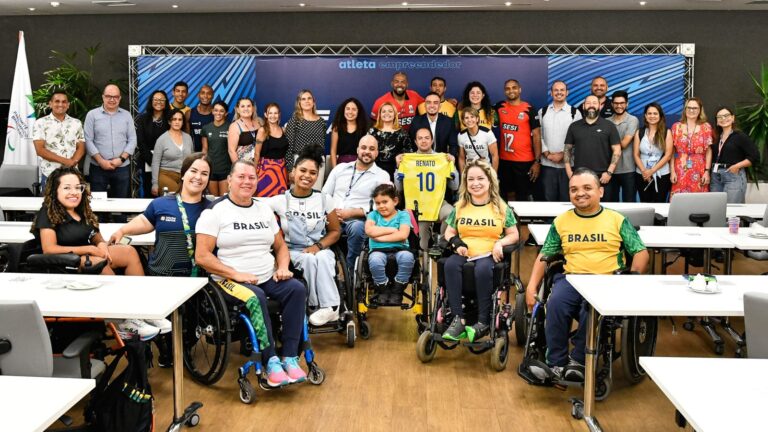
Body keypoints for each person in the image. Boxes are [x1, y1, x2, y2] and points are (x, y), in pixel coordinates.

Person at [525, 168, 649, 382]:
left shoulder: (617, 220)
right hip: (572, 278)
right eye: (573, 189)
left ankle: (579, 361)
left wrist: (633, 278)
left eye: (586, 188)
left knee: (589, 310)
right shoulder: (562, 221)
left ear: (601, 191)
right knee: (555, 303)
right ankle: (556, 363)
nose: (579, 193)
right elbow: (544, 255)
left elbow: (640, 252)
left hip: (607, 280)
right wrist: (531, 287)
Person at [195, 159, 309, 387]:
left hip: (266, 275)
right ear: (229, 180)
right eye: (241, 177)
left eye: (251, 177)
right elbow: (202, 256)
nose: (247, 181)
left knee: (297, 289)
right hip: (228, 280)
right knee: (254, 297)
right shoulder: (215, 211)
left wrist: (284, 267)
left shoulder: (263, 209)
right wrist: (234, 273)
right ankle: (271, 361)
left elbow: (280, 246)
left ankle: (289, 356)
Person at [31, 167, 163, 340]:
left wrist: (101, 246)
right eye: (67, 188)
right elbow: (50, 249)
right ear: (55, 190)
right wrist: (89, 249)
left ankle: (143, 311)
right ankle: (125, 320)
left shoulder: (81, 210)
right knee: (101, 263)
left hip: (87, 256)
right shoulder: (48, 212)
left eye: (78, 187)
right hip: (64, 262)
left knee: (129, 252)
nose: (74, 192)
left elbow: (96, 237)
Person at [109, 152, 212, 367]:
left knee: (189, 328)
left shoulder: (212, 209)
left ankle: (181, 349)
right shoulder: (161, 204)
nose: (198, 177)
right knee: (164, 325)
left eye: (204, 173)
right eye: (193, 171)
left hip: (197, 280)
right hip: (162, 276)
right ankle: (165, 348)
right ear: (183, 174)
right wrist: (122, 231)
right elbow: (144, 222)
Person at [441, 159, 519, 342]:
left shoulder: (500, 207)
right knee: (450, 264)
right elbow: (449, 231)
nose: (475, 183)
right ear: (465, 183)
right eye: (470, 179)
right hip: (465, 252)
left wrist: (500, 244)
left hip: (488, 253)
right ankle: (458, 319)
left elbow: (514, 234)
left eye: (480, 179)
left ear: (490, 181)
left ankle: (483, 321)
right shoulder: (459, 207)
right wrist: (457, 242)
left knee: (483, 269)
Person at [266, 144, 342, 326]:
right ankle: (315, 305)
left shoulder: (324, 199)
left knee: (321, 257)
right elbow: (253, 206)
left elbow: (335, 231)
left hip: (320, 247)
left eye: (313, 173)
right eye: (303, 170)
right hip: (292, 251)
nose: (307, 176)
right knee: (308, 259)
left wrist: (317, 247)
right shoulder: (280, 200)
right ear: (293, 172)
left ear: (317, 176)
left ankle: (332, 307)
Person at [322, 134, 390, 273]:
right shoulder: (340, 169)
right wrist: (331, 213)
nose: (367, 151)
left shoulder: (382, 175)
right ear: (357, 149)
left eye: (372, 149)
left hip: (358, 219)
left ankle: (351, 272)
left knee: (358, 228)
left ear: (376, 153)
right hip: (331, 217)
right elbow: (324, 195)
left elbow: (383, 206)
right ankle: (326, 270)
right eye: (364, 147)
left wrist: (353, 212)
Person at [395, 127, 459, 251]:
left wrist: (453, 165)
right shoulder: (407, 159)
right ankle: (429, 236)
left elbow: (455, 186)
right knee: (421, 248)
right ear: (415, 142)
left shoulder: (442, 158)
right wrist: (398, 167)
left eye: (426, 138)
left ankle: (442, 240)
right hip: (418, 207)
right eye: (420, 138)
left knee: (453, 213)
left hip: (438, 203)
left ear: (432, 140)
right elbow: (399, 188)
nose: (423, 141)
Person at [564, 95, 622, 201]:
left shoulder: (609, 126)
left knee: (605, 210)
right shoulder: (574, 126)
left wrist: (609, 172)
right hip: (580, 176)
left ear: (600, 106)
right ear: (583, 106)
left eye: (594, 103)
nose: (591, 105)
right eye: (588, 103)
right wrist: (569, 173)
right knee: (582, 209)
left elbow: (617, 150)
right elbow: (567, 150)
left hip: (603, 178)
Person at [365, 184, 415, 305]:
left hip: (400, 249)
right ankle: (383, 289)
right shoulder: (373, 215)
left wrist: (379, 238)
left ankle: (397, 290)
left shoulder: (403, 215)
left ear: (395, 201)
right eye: (377, 203)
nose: (381, 206)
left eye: (385, 202)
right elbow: (369, 231)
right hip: (377, 251)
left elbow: (403, 235)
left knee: (407, 257)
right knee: (375, 260)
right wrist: (393, 230)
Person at [84, 84, 137, 198]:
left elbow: (132, 139)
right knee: (98, 206)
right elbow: (88, 140)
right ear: (103, 97)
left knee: (121, 205)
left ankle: (120, 217)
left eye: (116, 97)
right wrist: (101, 161)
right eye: (109, 96)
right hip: (98, 167)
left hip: (121, 167)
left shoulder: (127, 115)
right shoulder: (92, 115)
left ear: (120, 98)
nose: (112, 99)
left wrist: (121, 159)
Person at [495, 79, 542, 201]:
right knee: (507, 194)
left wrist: (537, 162)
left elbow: (537, 136)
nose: (511, 90)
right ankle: (510, 220)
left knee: (523, 196)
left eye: (514, 87)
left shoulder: (529, 109)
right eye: (508, 88)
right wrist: (459, 104)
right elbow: (480, 108)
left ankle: (522, 220)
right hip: (504, 161)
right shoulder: (499, 107)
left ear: (520, 89)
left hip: (524, 161)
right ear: (505, 91)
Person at [32, 90, 85, 191]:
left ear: (68, 105)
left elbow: (81, 148)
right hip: (50, 174)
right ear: (50, 104)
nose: (61, 104)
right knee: (49, 206)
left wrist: (72, 163)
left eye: (64, 102)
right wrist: (66, 162)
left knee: (72, 204)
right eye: (57, 101)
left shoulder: (76, 123)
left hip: (72, 175)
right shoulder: (40, 123)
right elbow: (40, 150)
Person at [539, 80, 582, 202]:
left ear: (567, 92)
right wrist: (547, 154)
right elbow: (538, 136)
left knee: (567, 200)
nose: (559, 92)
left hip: (568, 166)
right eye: (556, 90)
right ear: (551, 93)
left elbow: (578, 139)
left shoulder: (575, 113)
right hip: (547, 165)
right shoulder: (543, 112)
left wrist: (563, 155)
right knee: (548, 200)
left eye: (562, 90)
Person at [709, 106, 760, 203]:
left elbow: (755, 156)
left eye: (726, 115)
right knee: (716, 209)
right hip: (715, 177)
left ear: (733, 118)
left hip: (733, 176)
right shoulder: (716, 137)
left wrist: (737, 166)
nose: (723, 118)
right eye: (720, 117)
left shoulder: (740, 136)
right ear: (717, 121)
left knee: (731, 211)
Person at [670, 97, 713, 195]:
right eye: (689, 108)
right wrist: (672, 171)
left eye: (695, 108)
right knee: (680, 200)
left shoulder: (706, 127)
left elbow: (709, 151)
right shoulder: (676, 127)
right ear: (685, 110)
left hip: (700, 168)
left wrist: (707, 171)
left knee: (699, 200)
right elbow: (671, 152)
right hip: (680, 168)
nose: (691, 110)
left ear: (700, 110)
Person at [633, 103, 674, 203]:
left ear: (660, 116)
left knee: (659, 203)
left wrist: (651, 171)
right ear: (646, 116)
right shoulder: (640, 132)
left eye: (655, 113)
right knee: (645, 203)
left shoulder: (666, 132)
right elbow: (635, 154)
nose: (652, 116)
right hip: (642, 174)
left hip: (662, 174)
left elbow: (668, 155)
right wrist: (644, 171)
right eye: (649, 113)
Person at [135, 90, 170, 198]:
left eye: (161, 100)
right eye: (156, 99)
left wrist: (163, 163)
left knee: (166, 194)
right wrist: (153, 162)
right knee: (149, 192)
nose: (158, 102)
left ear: (166, 102)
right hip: (147, 162)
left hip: (167, 163)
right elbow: (141, 143)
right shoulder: (142, 119)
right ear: (151, 101)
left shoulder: (170, 119)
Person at [151, 109, 193, 196]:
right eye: (174, 119)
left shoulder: (188, 138)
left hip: (185, 176)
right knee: (178, 197)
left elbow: (192, 159)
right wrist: (155, 183)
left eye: (180, 119)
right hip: (166, 174)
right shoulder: (162, 139)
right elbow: (155, 162)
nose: (177, 122)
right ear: (169, 122)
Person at [607, 91, 640, 202]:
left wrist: (609, 145)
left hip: (628, 169)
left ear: (627, 104)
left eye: (622, 103)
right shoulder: (606, 122)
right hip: (610, 170)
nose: (619, 106)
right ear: (612, 104)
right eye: (616, 103)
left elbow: (624, 144)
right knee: (611, 204)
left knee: (629, 203)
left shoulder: (633, 120)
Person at [368, 102, 413, 180]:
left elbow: (409, 152)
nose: (387, 113)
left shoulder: (402, 133)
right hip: (374, 171)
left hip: (394, 172)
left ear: (395, 114)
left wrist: (400, 157)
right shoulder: (372, 132)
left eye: (390, 111)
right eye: (384, 111)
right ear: (380, 114)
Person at [285, 89, 326, 174]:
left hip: (318, 162)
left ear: (313, 101)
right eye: (303, 99)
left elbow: (322, 144)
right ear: (299, 103)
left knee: (317, 188)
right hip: (300, 161)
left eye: (309, 98)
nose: (307, 101)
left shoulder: (321, 121)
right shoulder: (295, 120)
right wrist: (290, 169)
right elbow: (288, 147)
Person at [254, 103, 289, 198]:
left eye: (275, 113)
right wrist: (254, 172)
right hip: (266, 170)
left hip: (281, 170)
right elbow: (257, 153)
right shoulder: (262, 131)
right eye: (270, 113)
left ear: (279, 114)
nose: (273, 116)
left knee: (279, 200)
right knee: (264, 198)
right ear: (266, 115)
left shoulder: (284, 130)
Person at [409, 92, 458, 157]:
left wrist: (451, 156)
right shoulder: (416, 121)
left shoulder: (448, 122)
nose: (432, 105)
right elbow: (411, 144)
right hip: (421, 160)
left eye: (435, 103)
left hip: (441, 161)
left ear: (440, 106)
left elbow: (453, 145)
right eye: (429, 102)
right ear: (425, 105)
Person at [201, 101, 231, 196]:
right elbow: (205, 149)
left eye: (221, 111)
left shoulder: (231, 127)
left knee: (224, 200)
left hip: (226, 170)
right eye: (216, 110)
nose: (218, 113)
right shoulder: (206, 128)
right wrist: (202, 165)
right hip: (211, 169)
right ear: (212, 111)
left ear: (226, 113)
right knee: (213, 200)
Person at [457, 107, 498, 173]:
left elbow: (494, 155)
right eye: (466, 118)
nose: (469, 120)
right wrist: (462, 176)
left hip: (485, 170)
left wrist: (493, 175)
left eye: (472, 117)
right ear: (463, 121)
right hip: (469, 170)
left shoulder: (487, 133)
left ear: (477, 119)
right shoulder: (461, 135)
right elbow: (461, 158)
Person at [330, 97, 367, 168]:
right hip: (341, 165)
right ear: (343, 110)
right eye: (348, 109)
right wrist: (335, 170)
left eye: (354, 109)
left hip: (360, 164)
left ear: (358, 112)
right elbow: (333, 151)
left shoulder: (364, 129)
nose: (350, 112)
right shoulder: (337, 128)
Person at [227, 97, 262, 163]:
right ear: (237, 110)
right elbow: (231, 151)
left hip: (260, 165)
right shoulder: (234, 126)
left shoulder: (259, 123)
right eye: (242, 106)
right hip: (244, 167)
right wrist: (238, 169)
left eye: (248, 106)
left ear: (253, 108)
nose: (246, 109)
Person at [185, 84, 214, 152]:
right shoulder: (189, 113)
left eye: (208, 93)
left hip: (213, 155)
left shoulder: (216, 114)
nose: (205, 96)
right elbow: (187, 138)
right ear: (198, 95)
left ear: (212, 96)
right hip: (195, 154)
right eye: (203, 93)